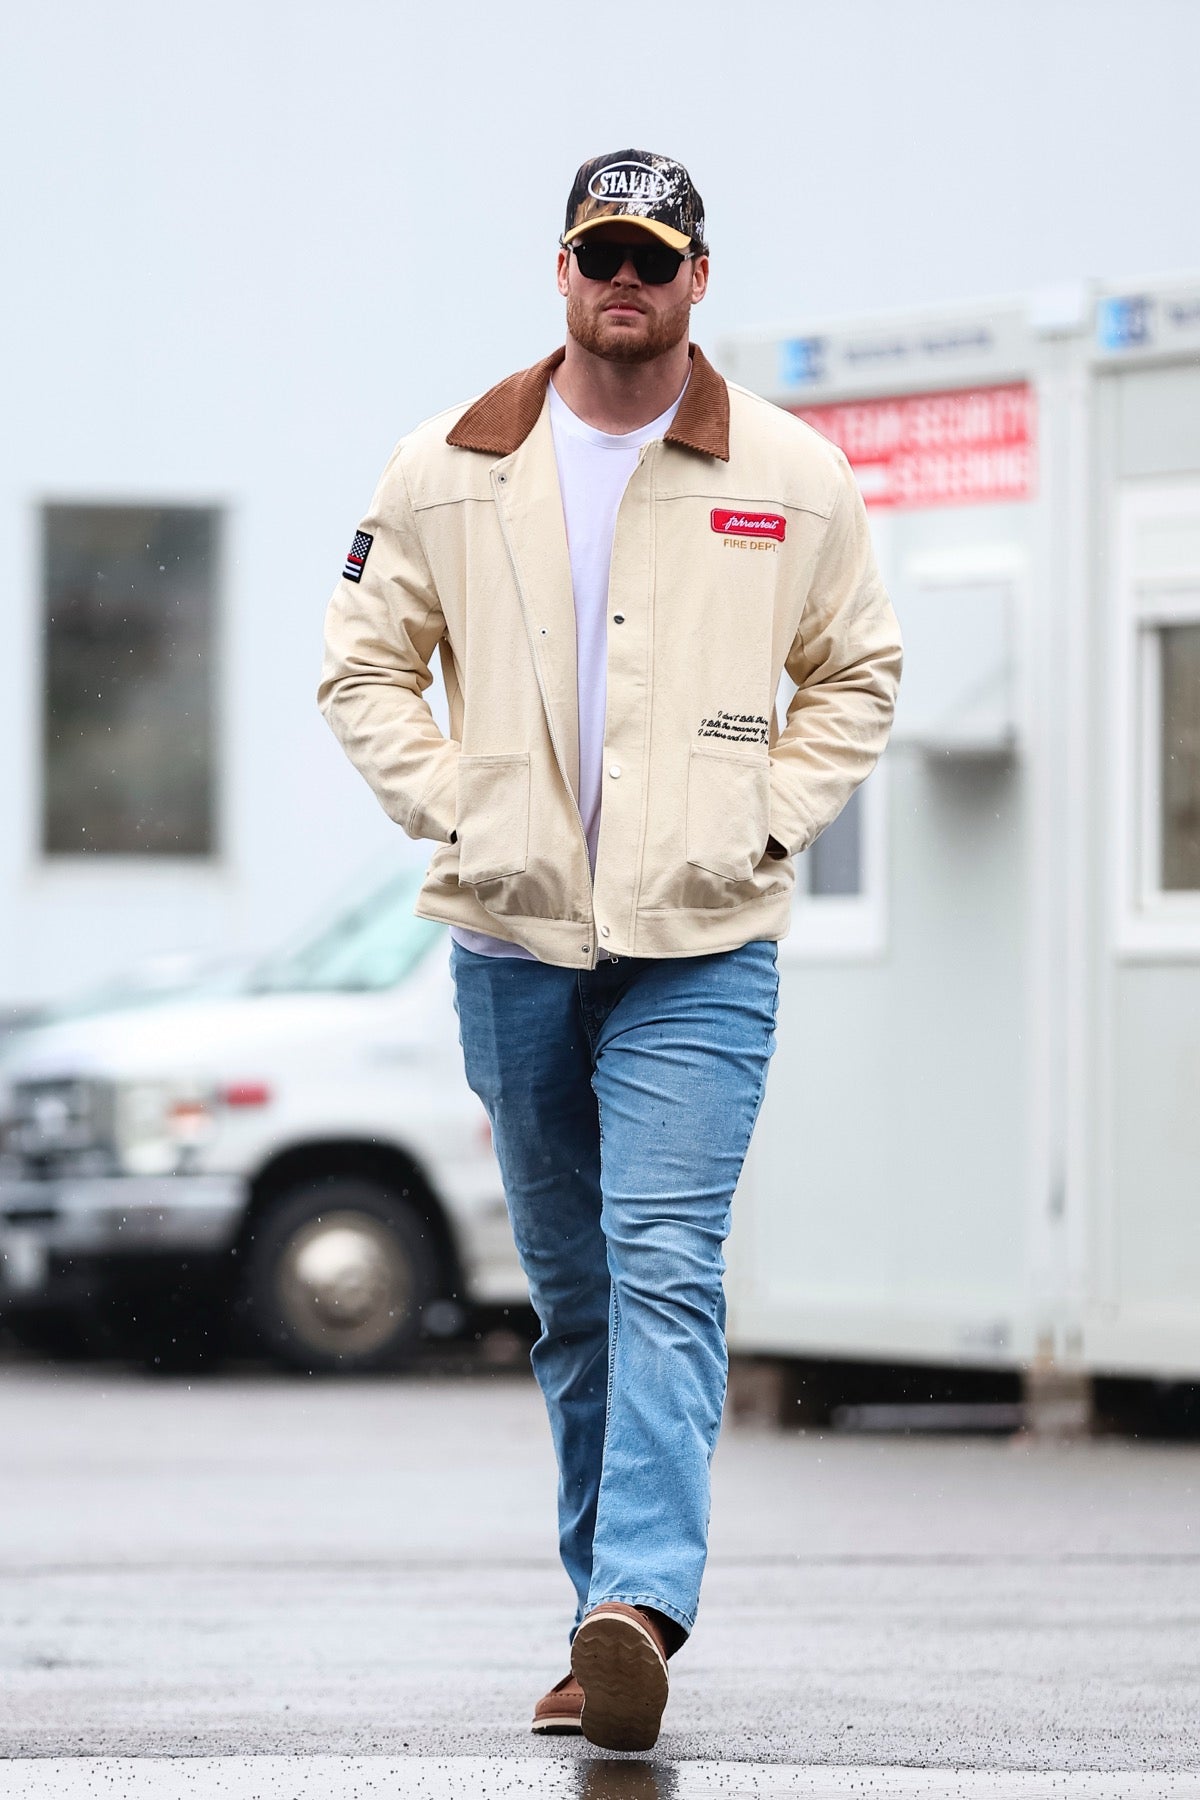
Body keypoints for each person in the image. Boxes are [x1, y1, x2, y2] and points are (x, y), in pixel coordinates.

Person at [319, 148, 901, 1752]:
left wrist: (766, 824)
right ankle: (602, 1626)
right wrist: (462, 808)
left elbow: (857, 673)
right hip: (511, 941)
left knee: (663, 1266)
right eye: (600, 254)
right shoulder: (447, 465)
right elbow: (364, 665)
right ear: (561, 270)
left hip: (702, 943)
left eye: (654, 254)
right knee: (574, 1296)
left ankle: (641, 1599)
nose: (624, 280)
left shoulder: (789, 472)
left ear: (699, 276)